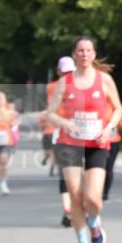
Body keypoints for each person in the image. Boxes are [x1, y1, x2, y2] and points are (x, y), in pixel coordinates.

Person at [46, 37, 122, 243]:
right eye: (80, 50)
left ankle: (94, 222)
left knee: (93, 199)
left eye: (88, 50)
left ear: (94, 54)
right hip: (69, 143)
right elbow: (50, 113)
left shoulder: (105, 80)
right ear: (74, 54)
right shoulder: (65, 82)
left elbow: (118, 109)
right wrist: (64, 123)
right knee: (76, 196)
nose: (84, 54)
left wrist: (110, 127)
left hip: (97, 143)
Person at [41, 56, 76, 225]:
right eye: (67, 71)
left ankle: (69, 208)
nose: (67, 75)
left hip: (69, 132)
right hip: (66, 132)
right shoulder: (79, 83)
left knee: (67, 173)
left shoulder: (52, 86)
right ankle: (69, 209)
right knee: (68, 173)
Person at [102, 100, 122, 202]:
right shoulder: (117, 106)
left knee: (107, 168)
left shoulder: (118, 107)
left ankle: (105, 193)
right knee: (107, 168)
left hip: (112, 141)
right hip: (101, 141)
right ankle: (104, 193)